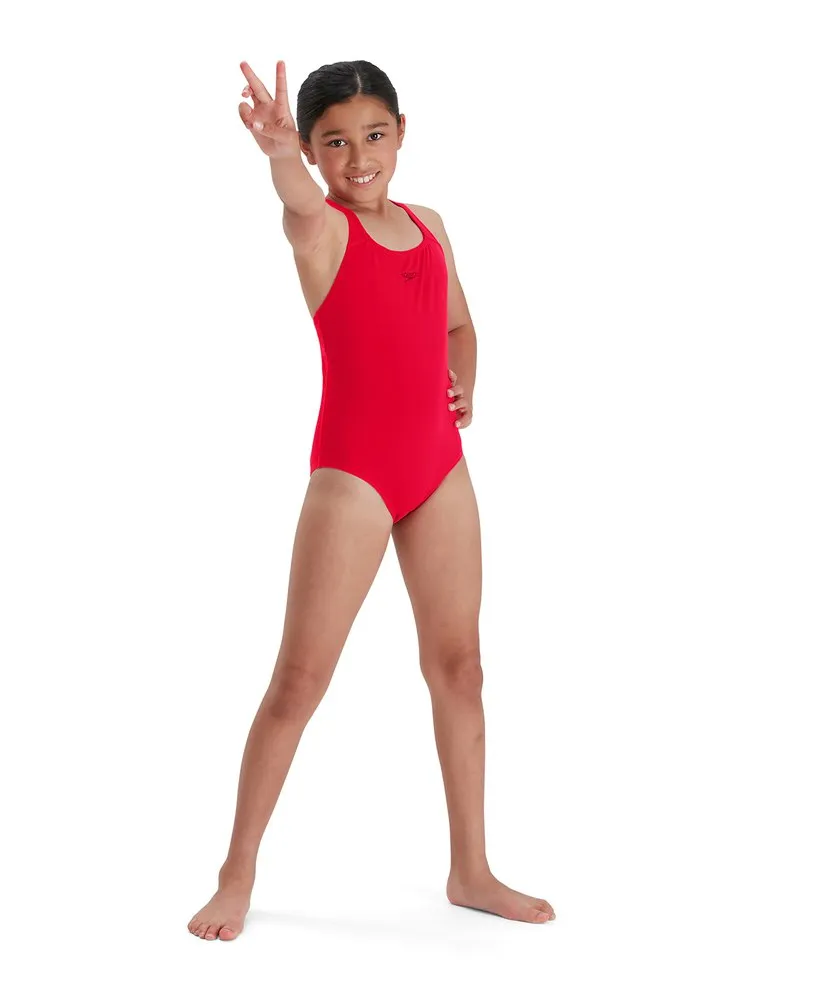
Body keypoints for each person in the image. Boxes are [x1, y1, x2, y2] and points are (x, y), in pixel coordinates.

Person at [188, 58, 555, 942]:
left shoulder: (431, 227)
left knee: (461, 667)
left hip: (439, 468)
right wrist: (279, 153)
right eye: (334, 143)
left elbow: (459, 323)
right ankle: (236, 873)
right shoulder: (321, 230)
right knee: (300, 680)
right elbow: (296, 200)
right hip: (354, 475)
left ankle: (470, 869)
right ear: (315, 153)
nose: (359, 158)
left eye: (374, 135)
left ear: (401, 131)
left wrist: (464, 382)